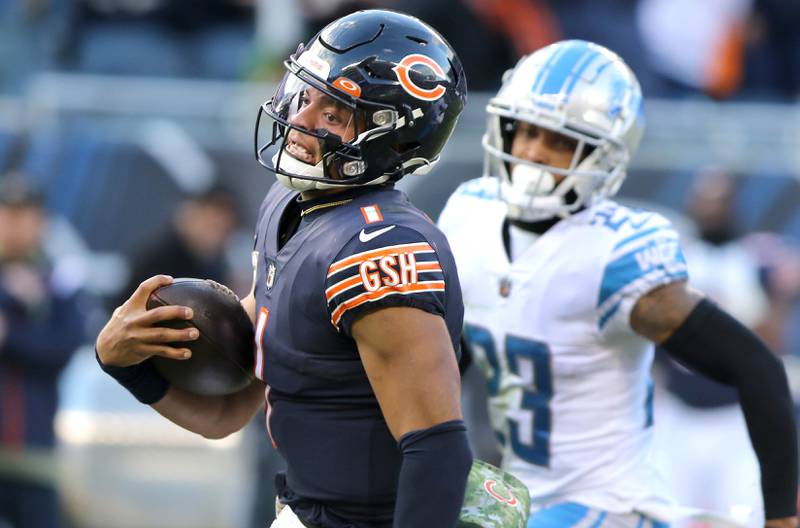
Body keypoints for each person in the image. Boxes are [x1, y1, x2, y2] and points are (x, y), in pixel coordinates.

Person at [96, 9, 473, 528]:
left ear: (395, 138)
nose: (300, 118)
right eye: (306, 93)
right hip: (304, 509)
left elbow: (438, 448)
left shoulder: (381, 251)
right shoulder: (291, 205)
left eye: (334, 113)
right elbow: (223, 414)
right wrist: (124, 364)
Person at [437, 40, 798, 527]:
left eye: (561, 141)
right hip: (518, 492)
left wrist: (781, 517)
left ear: (604, 156)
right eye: (526, 131)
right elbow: (448, 357)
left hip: (608, 505)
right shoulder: (471, 211)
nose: (534, 153)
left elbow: (757, 368)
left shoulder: (614, 252)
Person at [0, 176, 89, 528]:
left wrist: (13, 334)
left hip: (33, 456)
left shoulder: (58, 282)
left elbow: (64, 347)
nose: (19, 227)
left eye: (29, 217)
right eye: (11, 215)